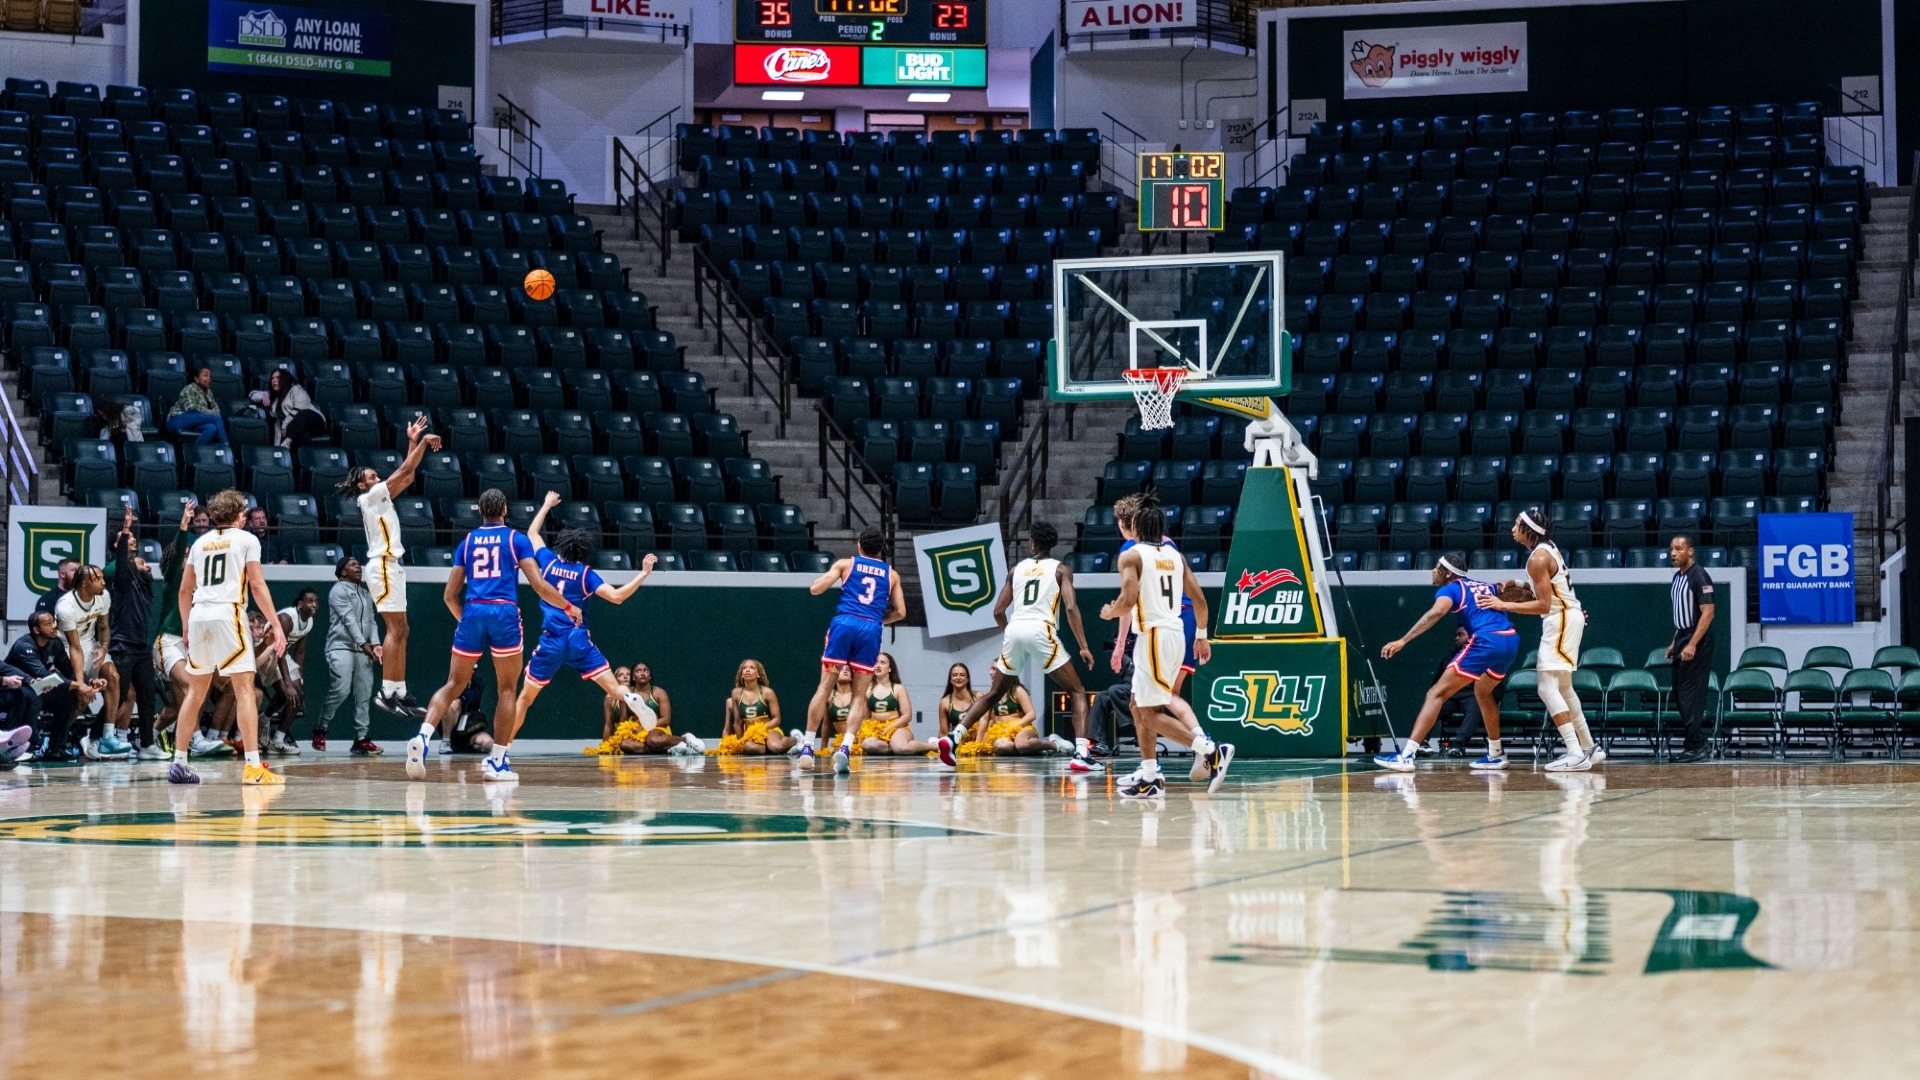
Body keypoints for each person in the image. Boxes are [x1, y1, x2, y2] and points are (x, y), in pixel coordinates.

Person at [403, 488, 588, 780]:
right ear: (504, 510)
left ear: (480, 511)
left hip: (473, 611)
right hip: (503, 613)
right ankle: (497, 762)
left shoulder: (467, 542)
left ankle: (423, 737)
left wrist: (466, 622)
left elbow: (450, 596)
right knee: (507, 689)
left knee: (453, 684)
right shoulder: (516, 539)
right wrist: (568, 606)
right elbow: (539, 585)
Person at [482, 492, 661, 783]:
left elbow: (532, 533)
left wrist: (546, 506)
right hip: (578, 640)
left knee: (524, 699)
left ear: (563, 546)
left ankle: (500, 754)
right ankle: (630, 697)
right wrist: (643, 574)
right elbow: (616, 597)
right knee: (612, 688)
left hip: (551, 640)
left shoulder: (549, 564)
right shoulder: (586, 574)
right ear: (584, 551)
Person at [935, 522, 1098, 772]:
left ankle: (954, 737)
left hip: (1015, 628)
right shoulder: (1061, 570)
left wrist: (1010, 633)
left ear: (1032, 543)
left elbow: (998, 611)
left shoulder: (1016, 570)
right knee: (1077, 690)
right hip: (1040, 628)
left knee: (992, 694)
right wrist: (1084, 646)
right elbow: (1071, 607)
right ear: (1052, 545)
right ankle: (1082, 754)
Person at [1100, 499, 1231, 797]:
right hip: (1175, 635)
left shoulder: (1131, 556)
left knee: (1147, 713)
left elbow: (1129, 600)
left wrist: (1111, 611)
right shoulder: (1176, 555)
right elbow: (1199, 600)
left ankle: (1210, 751)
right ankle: (1150, 777)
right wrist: (1201, 635)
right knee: (1137, 705)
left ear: (1134, 528)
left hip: (1154, 637)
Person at [168, 488, 287, 785]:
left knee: (196, 691)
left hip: (198, 614)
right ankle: (252, 767)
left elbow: (184, 591)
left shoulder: (200, 543)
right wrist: (276, 623)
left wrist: (185, 627)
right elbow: (257, 585)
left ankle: (179, 762)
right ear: (240, 516)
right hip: (228, 613)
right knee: (245, 688)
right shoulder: (247, 539)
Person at [1373, 553, 1518, 773]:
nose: (1432, 570)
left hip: (1486, 640)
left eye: (1436, 567)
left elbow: (1436, 613)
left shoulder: (1451, 589)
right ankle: (1496, 753)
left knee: (1435, 694)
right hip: (1510, 640)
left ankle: (1406, 755)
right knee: (1483, 692)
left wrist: (1403, 640)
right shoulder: (1484, 586)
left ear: (1448, 573)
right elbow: (1516, 592)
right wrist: (1521, 583)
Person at [1483, 508, 1601, 771]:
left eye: (1516, 524)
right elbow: (1545, 589)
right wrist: (1517, 583)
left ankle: (1574, 752)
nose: (1512, 528)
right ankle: (1589, 748)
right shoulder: (1547, 550)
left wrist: (1503, 604)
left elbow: (1544, 604)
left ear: (1528, 530)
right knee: (1565, 689)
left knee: (1546, 688)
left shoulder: (1538, 558)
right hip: (1567, 617)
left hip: (1560, 621)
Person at [337, 414, 439, 719]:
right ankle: (386, 692)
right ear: (361, 484)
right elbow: (406, 469)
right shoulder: (369, 497)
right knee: (396, 628)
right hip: (381, 565)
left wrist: (410, 442)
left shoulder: (380, 498)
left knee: (402, 629)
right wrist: (421, 442)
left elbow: (407, 476)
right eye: (371, 476)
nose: (377, 479)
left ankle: (398, 691)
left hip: (391, 566)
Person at [801, 526, 906, 774]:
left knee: (825, 687)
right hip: (870, 628)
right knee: (860, 695)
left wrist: (826, 578)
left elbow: (816, 589)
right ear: (880, 549)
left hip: (845, 623)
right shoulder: (892, 575)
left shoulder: (847, 564)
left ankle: (807, 747)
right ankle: (846, 748)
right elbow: (901, 612)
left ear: (860, 546)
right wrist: (878, 620)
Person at [107, 512, 165, 760]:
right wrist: (126, 528)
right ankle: (100, 736)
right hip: (123, 646)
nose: (147, 565)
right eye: (142, 563)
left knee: (147, 698)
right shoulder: (124, 582)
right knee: (119, 696)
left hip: (142, 649)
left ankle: (146, 744)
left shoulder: (145, 591)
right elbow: (122, 564)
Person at [56, 564, 125, 760]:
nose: (104, 582)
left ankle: (108, 737)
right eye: (98, 579)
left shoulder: (103, 596)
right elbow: (74, 647)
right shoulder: (66, 606)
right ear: (85, 583)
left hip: (92, 645)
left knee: (113, 677)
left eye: (103, 578)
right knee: (82, 698)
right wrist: (81, 684)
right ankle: (59, 739)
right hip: (68, 651)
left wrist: (103, 648)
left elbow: (103, 627)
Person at [315, 556, 381, 754]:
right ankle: (321, 728)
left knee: (364, 694)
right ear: (343, 572)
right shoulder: (338, 590)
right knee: (341, 690)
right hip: (340, 646)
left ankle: (361, 738)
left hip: (363, 648)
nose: (358, 567)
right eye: (353, 565)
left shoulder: (365, 592)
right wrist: (363, 643)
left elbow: (371, 620)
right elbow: (348, 620)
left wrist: (376, 644)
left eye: (359, 564)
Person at [150, 501, 198, 757]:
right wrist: (184, 526)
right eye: (187, 556)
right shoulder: (172, 577)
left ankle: (153, 734)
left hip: (189, 643)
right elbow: (179, 552)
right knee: (190, 686)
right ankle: (198, 739)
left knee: (183, 702)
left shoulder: (197, 584)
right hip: (167, 641)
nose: (190, 559)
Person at [12, 611, 90, 762]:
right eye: (48, 624)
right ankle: (29, 748)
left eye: (53, 622)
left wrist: (88, 682)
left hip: (43, 687)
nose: (54, 626)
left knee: (66, 697)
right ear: (36, 630)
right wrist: (78, 685)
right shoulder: (24, 645)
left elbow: (68, 670)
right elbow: (42, 673)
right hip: (18, 688)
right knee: (33, 697)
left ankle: (56, 749)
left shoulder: (55, 643)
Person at [1667, 534, 1716, 763]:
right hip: (1683, 637)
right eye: (1671, 550)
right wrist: (1675, 641)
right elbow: (1682, 617)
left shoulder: (1699, 576)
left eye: (1679, 549)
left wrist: (1692, 644)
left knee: (1689, 695)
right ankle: (1699, 741)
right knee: (1678, 693)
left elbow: (1708, 612)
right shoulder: (1678, 577)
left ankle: (1695, 745)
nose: (1674, 553)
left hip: (1697, 639)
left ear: (1690, 551)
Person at [593, 663, 691, 755]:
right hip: (636, 730)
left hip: (656, 727)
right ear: (633, 677)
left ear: (650, 676)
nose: (642, 673)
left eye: (646, 670)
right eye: (638, 671)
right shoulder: (628, 694)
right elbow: (623, 720)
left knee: (653, 740)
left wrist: (644, 727)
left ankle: (686, 739)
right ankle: (666, 749)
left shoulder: (659, 693)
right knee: (625, 745)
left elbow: (666, 720)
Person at [856, 653, 937, 756]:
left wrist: (889, 728)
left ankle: (934, 746)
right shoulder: (867, 690)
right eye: (875, 662)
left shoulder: (898, 689)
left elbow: (907, 716)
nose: (878, 665)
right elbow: (866, 718)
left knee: (901, 747)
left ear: (890, 668)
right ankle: (893, 749)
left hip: (898, 727)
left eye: (882, 662)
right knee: (867, 744)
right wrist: (859, 734)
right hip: (877, 730)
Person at [269, 589, 319, 756]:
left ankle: (277, 739)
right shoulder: (287, 618)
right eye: (310, 601)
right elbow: (279, 650)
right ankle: (264, 721)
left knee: (297, 695)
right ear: (300, 604)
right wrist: (289, 682)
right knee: (288, 691)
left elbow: (300, 652)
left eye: (316, 601)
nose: (314, 604)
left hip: (283, 654)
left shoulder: (309, 621)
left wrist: (299, 681)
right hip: (266, 653)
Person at [718, 659, 790, 755]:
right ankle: (769, 749)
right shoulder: (736, 693)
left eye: (752, 668)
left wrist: (760, 729)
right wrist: (741, 741)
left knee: (775, 747)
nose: (747, 670)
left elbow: (776, 719)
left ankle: (795, 741)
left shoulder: (768, 692)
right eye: (744, 668)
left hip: (769, 730)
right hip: (750, 735)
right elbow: (737, 722)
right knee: (748, 747)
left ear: (758, 674)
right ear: (741, 674)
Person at [250, 367, 327, 450]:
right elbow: (252, 394)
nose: (274, 380)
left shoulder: (296, 389)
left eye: (278, 378)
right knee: (302, 433)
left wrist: (285, 426)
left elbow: (301, 408)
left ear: (285, 379)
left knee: (301, 414)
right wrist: (264, 397)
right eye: (272, 378)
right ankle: (307, 460)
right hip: (295, 429)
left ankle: (288, 441)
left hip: (314, 421)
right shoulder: (272, 396)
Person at [165, 366, 229, 446]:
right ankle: (227, 448)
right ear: (196, 379)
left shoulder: (208, 392)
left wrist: (215, 411)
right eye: (205, 376)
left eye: (210, 376)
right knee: (215, 417)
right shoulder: (189, 389)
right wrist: (208, 411)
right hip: (177, 420)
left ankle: (195, 453)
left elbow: (215, 406)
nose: (209, 378)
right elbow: (190, 407)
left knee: (212, 428)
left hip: (193, 422)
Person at [937, 663, 976, 735]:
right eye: (955, 675)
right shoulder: (945, 702)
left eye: (962, 675)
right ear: (950, 679)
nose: (958, 678)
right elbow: (943, 732)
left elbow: (988, 721)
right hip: (958, 743)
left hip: (977, 742)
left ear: (967, 679)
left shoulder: (977, 697)